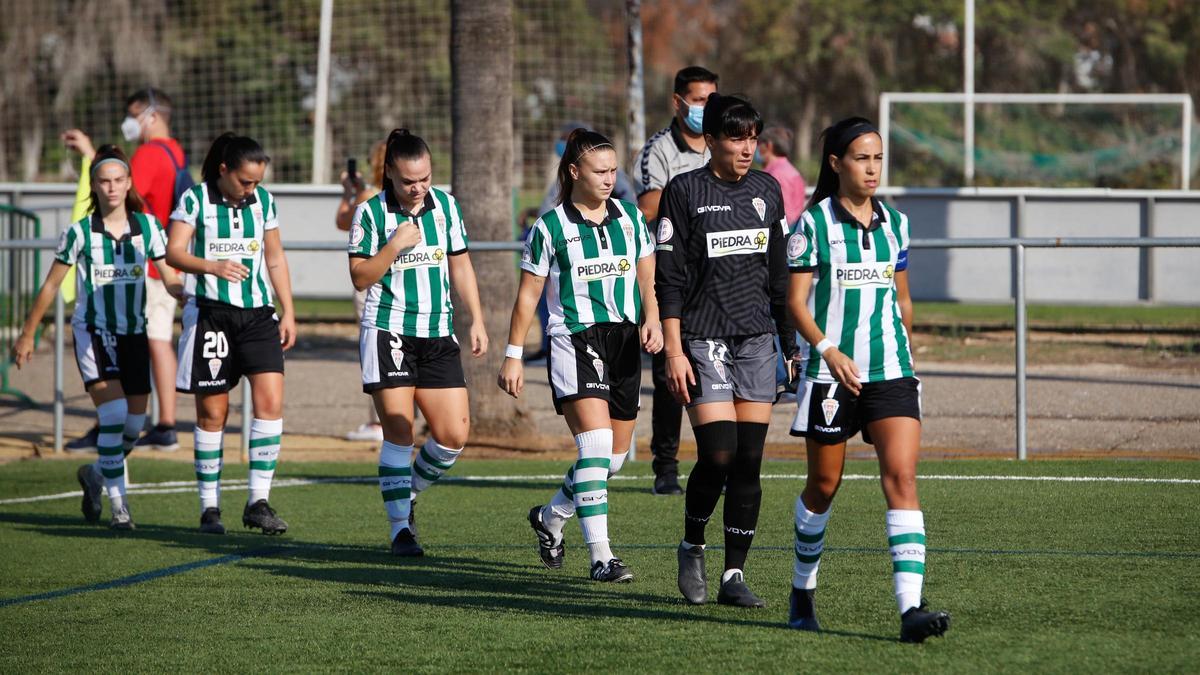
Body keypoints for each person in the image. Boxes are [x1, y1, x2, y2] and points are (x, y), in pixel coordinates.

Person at [785, 117, 950, 642]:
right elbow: (794, 304)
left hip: (892, 372)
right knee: (823, 486)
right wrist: (828, 350)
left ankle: (910, 611)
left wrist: (903, 323)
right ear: (836, 164)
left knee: (901, 479)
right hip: (830, 373)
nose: (872, 167)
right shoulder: (812, 225)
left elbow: (902, 296)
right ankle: (802, 589)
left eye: (878, 157)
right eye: (861, 157)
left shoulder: (896, 224)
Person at [499, 129, 662, 582]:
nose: (610, 178)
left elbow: (648, 278)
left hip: (626, 340)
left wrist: (652, 318)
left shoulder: (631, 219)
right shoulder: (550, 227)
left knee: (612, 459)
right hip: (575, 339)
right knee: (593, 445)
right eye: (600, 171)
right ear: (574, 172)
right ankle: (601, 557)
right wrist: (513, 354)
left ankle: (551, 517)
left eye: (613, 170)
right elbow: (527, 295)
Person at [655, 94, 796, 608]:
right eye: (735, 138)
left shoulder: (767, 189)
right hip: (702, 338)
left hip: (758, 340)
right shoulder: (684, 190)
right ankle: (692, 545)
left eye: (752, 138)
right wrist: (673, 350)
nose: (746, 148)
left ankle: (733, 576)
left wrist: (790, 344)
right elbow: (668, 280)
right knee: (718, 454)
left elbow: (780, 275)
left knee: (749, 462)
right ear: (710, 140)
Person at [10, 145, 182, 529]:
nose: (112, 188)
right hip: (94, 332)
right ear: (94, 185)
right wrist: (27, 333)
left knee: (134, 427)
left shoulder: (149, 227)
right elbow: (52, 286)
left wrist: (183, 292)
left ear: (128, 183)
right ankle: (120, 509)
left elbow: (168, 275)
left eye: (119, 180)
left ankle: (97, 475)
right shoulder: (80, 233)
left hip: (135, 333)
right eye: (104, 181)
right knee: (114, 414)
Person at [347, 128, 488, 557]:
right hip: (388, 330)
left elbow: (460, 266)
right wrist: (393, 246)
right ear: (389, 173)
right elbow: (359, 277)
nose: (418, 187)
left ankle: (405, 494)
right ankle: (399, 531)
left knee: (453, 434)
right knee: (400, 432)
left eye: (425, 178)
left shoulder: (445, 206)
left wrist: (477, 319)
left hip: (437, 332)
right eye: (409, 180)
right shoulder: (370, 214)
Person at [167, 133, 296, 536]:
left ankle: (258, 501)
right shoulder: (195, 199)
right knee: (212, 413)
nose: (251, 188)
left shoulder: (264, 201)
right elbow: (173, 253)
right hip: (212, 316)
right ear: (224, 170)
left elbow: (274, 258)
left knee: (271, 402)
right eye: (245, 180)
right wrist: (213, 267)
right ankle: (210, 508)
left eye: (257, 181)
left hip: (259, 316)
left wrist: (289, 310)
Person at [59, 88, 191, 453]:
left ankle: (148, 423)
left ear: (151, 115)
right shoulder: (175, 150)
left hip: (142, 265)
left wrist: (92, 159)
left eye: (133, 114)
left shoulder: (149, 154)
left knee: (145, 341)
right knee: (157, 340)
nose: (129, 122)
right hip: (160, 262)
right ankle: (157, 422)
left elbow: (121, 203)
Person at [631, 65, 719, 496]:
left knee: (717, 366)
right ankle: (665, 466)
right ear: (678, 101)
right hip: (669, 278)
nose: (705, 108)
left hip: (715, 278)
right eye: (699, 99)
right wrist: (703, 198)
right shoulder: (657, 152)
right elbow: (649, 207)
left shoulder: (723, 144)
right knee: (671, 372)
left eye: (711, 99)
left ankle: (716, 457)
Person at [336, 140, 387, 442]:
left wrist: (349, 193)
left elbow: (343, 220)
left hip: (372, 281)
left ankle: (378, 423)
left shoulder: (369, 196)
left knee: (374, 348)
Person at [757, 127, 807, 227]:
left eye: (757, 143)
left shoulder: (776, 174)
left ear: (768, 145)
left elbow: (785, 215)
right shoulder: (788, 169)